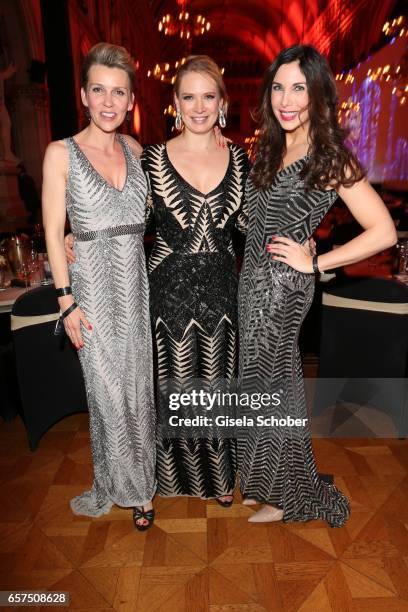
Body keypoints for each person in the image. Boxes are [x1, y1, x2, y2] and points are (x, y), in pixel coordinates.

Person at [238, 45, 397, 525]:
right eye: (279, 87)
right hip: (251, 280)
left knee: (277, 386)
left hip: (284, 286)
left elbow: (384, 231)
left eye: (299, 89)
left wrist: (318, 261)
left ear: (317, 95)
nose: (286, 100)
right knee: (257, 386)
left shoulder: (328, 156)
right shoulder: (270, 147)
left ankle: (292, 495)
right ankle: (266, 482)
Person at [42, 43, 156, 530]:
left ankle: (122, 477)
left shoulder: (135, 150)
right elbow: (51, 230)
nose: (108, 102)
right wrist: (65, 303)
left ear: (131, 100)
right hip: (89, 294)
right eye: (98, 90)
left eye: (119, 92)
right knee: (107, 393)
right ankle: (139, 494)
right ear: (84, 95)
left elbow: (142, 219)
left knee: (138, 391)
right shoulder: (59, 153)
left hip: (136, 286)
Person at [141, 56, 249, 503]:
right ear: (175, 102)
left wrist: (301, 241)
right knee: (175, 385)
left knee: (218, 383)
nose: (199, 107)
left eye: (208, 96)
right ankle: (172, 478)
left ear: (222, 102)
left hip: (223, 289)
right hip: (168, 290)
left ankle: (219, 479)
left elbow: (252, 225)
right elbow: (129, 219)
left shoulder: (239, 157)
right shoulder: (152, 159)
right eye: (189, 96)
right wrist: (77, 238)